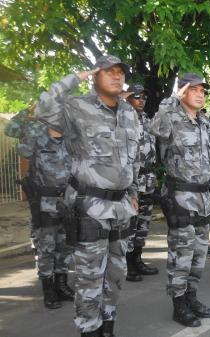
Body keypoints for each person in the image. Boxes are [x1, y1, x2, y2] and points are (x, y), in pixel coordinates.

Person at [36, 55, 139, 337]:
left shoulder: (129, 113)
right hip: (90, 206)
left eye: (120, 72)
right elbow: (43, 108)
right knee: (90, 277)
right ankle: (89, 330)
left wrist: (133, 192)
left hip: (121, 207)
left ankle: (107, 326)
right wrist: (75, 78)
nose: (117, 76)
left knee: (117, 274)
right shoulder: (76, 107)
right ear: (95, 76)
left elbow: (132, 159)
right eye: (109, 72)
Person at [150, 73, 210, 327]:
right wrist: (171, 100)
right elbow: (154, 128)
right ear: (182, 92)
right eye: (194, 89)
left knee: (199, 254)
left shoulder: (203, 122)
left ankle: (192, 298)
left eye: (203, 90)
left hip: (202, 196)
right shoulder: (172, 118)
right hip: (181, 197)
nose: (201, 93)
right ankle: (179, 306)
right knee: (181, 255)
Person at [5, 104, 74, 309]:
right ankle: (49, 289)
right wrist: (27, 111)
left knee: (66, 245)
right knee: (46, 248)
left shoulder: (70, 142)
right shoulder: (35, 140)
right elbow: (11, 130)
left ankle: (62, 284)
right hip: (44, 204)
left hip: (66, 202)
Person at [123, 84, 159, 282]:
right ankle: (128, 265)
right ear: (128, 98)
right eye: (136, 97)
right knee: (130, 224)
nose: (141, 100)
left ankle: (137, 259)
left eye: (144, 97)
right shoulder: (121, 119)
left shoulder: (147, 120)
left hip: (148, 179)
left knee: (143, 224)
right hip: (131, 181)